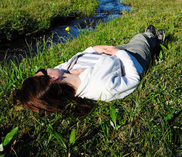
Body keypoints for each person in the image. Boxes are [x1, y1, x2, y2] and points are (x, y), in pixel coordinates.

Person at [15, 25, 165, 114]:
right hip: (132, 59)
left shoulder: (63, 71)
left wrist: (92, 49)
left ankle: (151, 41)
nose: (47, 68)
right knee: (140, 40)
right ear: (52, 79)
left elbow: (75, 57)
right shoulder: (102, 87)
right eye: (43, 70)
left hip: (112, 52)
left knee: (133, 41)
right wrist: (121, 54)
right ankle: (152, 38)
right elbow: (133, 79)